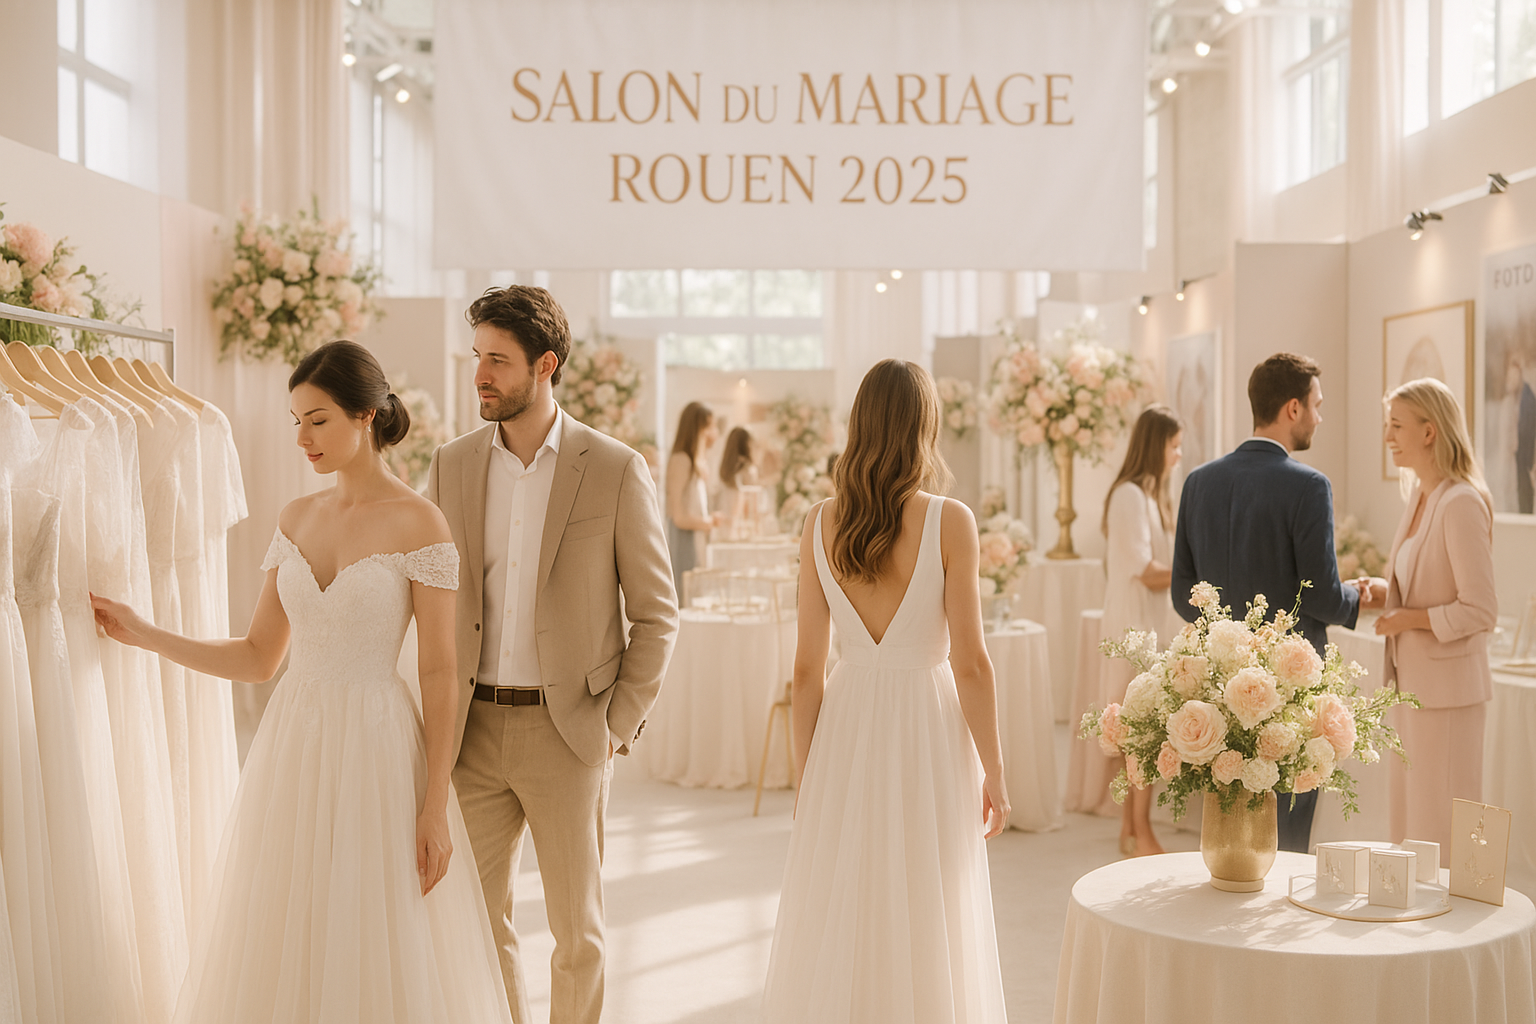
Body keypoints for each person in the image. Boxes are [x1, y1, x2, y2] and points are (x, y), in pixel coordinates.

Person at [90, 340, 513, 1022]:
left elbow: (440, 670)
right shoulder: (294, 517)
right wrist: (145, 632)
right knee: (289, 920)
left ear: (367, 415)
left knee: (370, 926)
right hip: (294, 743)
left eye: (317, 419)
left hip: (377, 748)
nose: (301, 438)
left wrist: (435, 803)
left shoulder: (420, 523)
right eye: (295, 420)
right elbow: (259, 656)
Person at [425, 286, 678, 1024]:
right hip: (470, 733)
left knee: (577, 935)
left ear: (546, 365)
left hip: (569, 732)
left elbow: (658, 617)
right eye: (476, 358)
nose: (480, 376)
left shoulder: (614, 468)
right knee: (476, 924)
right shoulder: (452, 465)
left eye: (497, 361)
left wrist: (613, 724)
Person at [763, 359, 1009, 1023]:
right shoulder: (950, 520)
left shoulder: (817, 522)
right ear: (925, 426)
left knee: (850, 886)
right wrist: (996, 772)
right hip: (925, 722)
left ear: (859, 424)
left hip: (845, 721)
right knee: (928, 887)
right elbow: (973, 664)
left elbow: (805, 671)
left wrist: (804, 776)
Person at [1172, 352, 1361, 854]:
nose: (1320, 417)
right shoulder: (1309, 485)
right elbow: (1320, 597)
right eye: (1317, 405)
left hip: (1215, 689)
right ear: (1293, 408)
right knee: (1286, 839)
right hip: (1288, 693)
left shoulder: (1198, 482)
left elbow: (1181, 592)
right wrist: (1359, 599)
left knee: (1229, 831)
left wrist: (1225, 643)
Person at [1358, 378, 1497, 851]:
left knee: (1444, 826)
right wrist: (1385, 593)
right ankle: (1413, 917)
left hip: (1450, 695)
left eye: (1396, 425)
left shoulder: (1461, 503)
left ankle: (1451, 922)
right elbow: (1422, 584)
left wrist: (1409, 619)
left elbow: (1480, 609)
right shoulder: (1420, 496)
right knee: (1414, 821)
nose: (1387, 436)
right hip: (1414, 689)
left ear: (1430, 432)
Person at [1100, 404, 1183, 856]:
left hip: (1149, 620)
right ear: (1156, 446)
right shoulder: (1129, 495)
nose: (1178, 455)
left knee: (1141, 730)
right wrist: (1195, 571)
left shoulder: (1152, 497)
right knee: (1142, 731)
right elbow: (1144, 571)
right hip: (1133, 624)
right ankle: (1140, 829)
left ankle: (1130, 830)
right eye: (1174, 446)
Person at [666, 402, 722, 595]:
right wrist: (709, 523)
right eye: (711, 427)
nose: (714, 434)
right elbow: (679, 517)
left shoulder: (696, 462)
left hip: (696, 541)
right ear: (699, 429)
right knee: (686, 598)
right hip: (684, 543)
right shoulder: (681, 460)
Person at [716, 425, 760, 532]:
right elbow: (753, 506)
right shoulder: (749, 470)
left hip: (723, 524)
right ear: (748, 445)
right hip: (742, 527)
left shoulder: (726, 470)